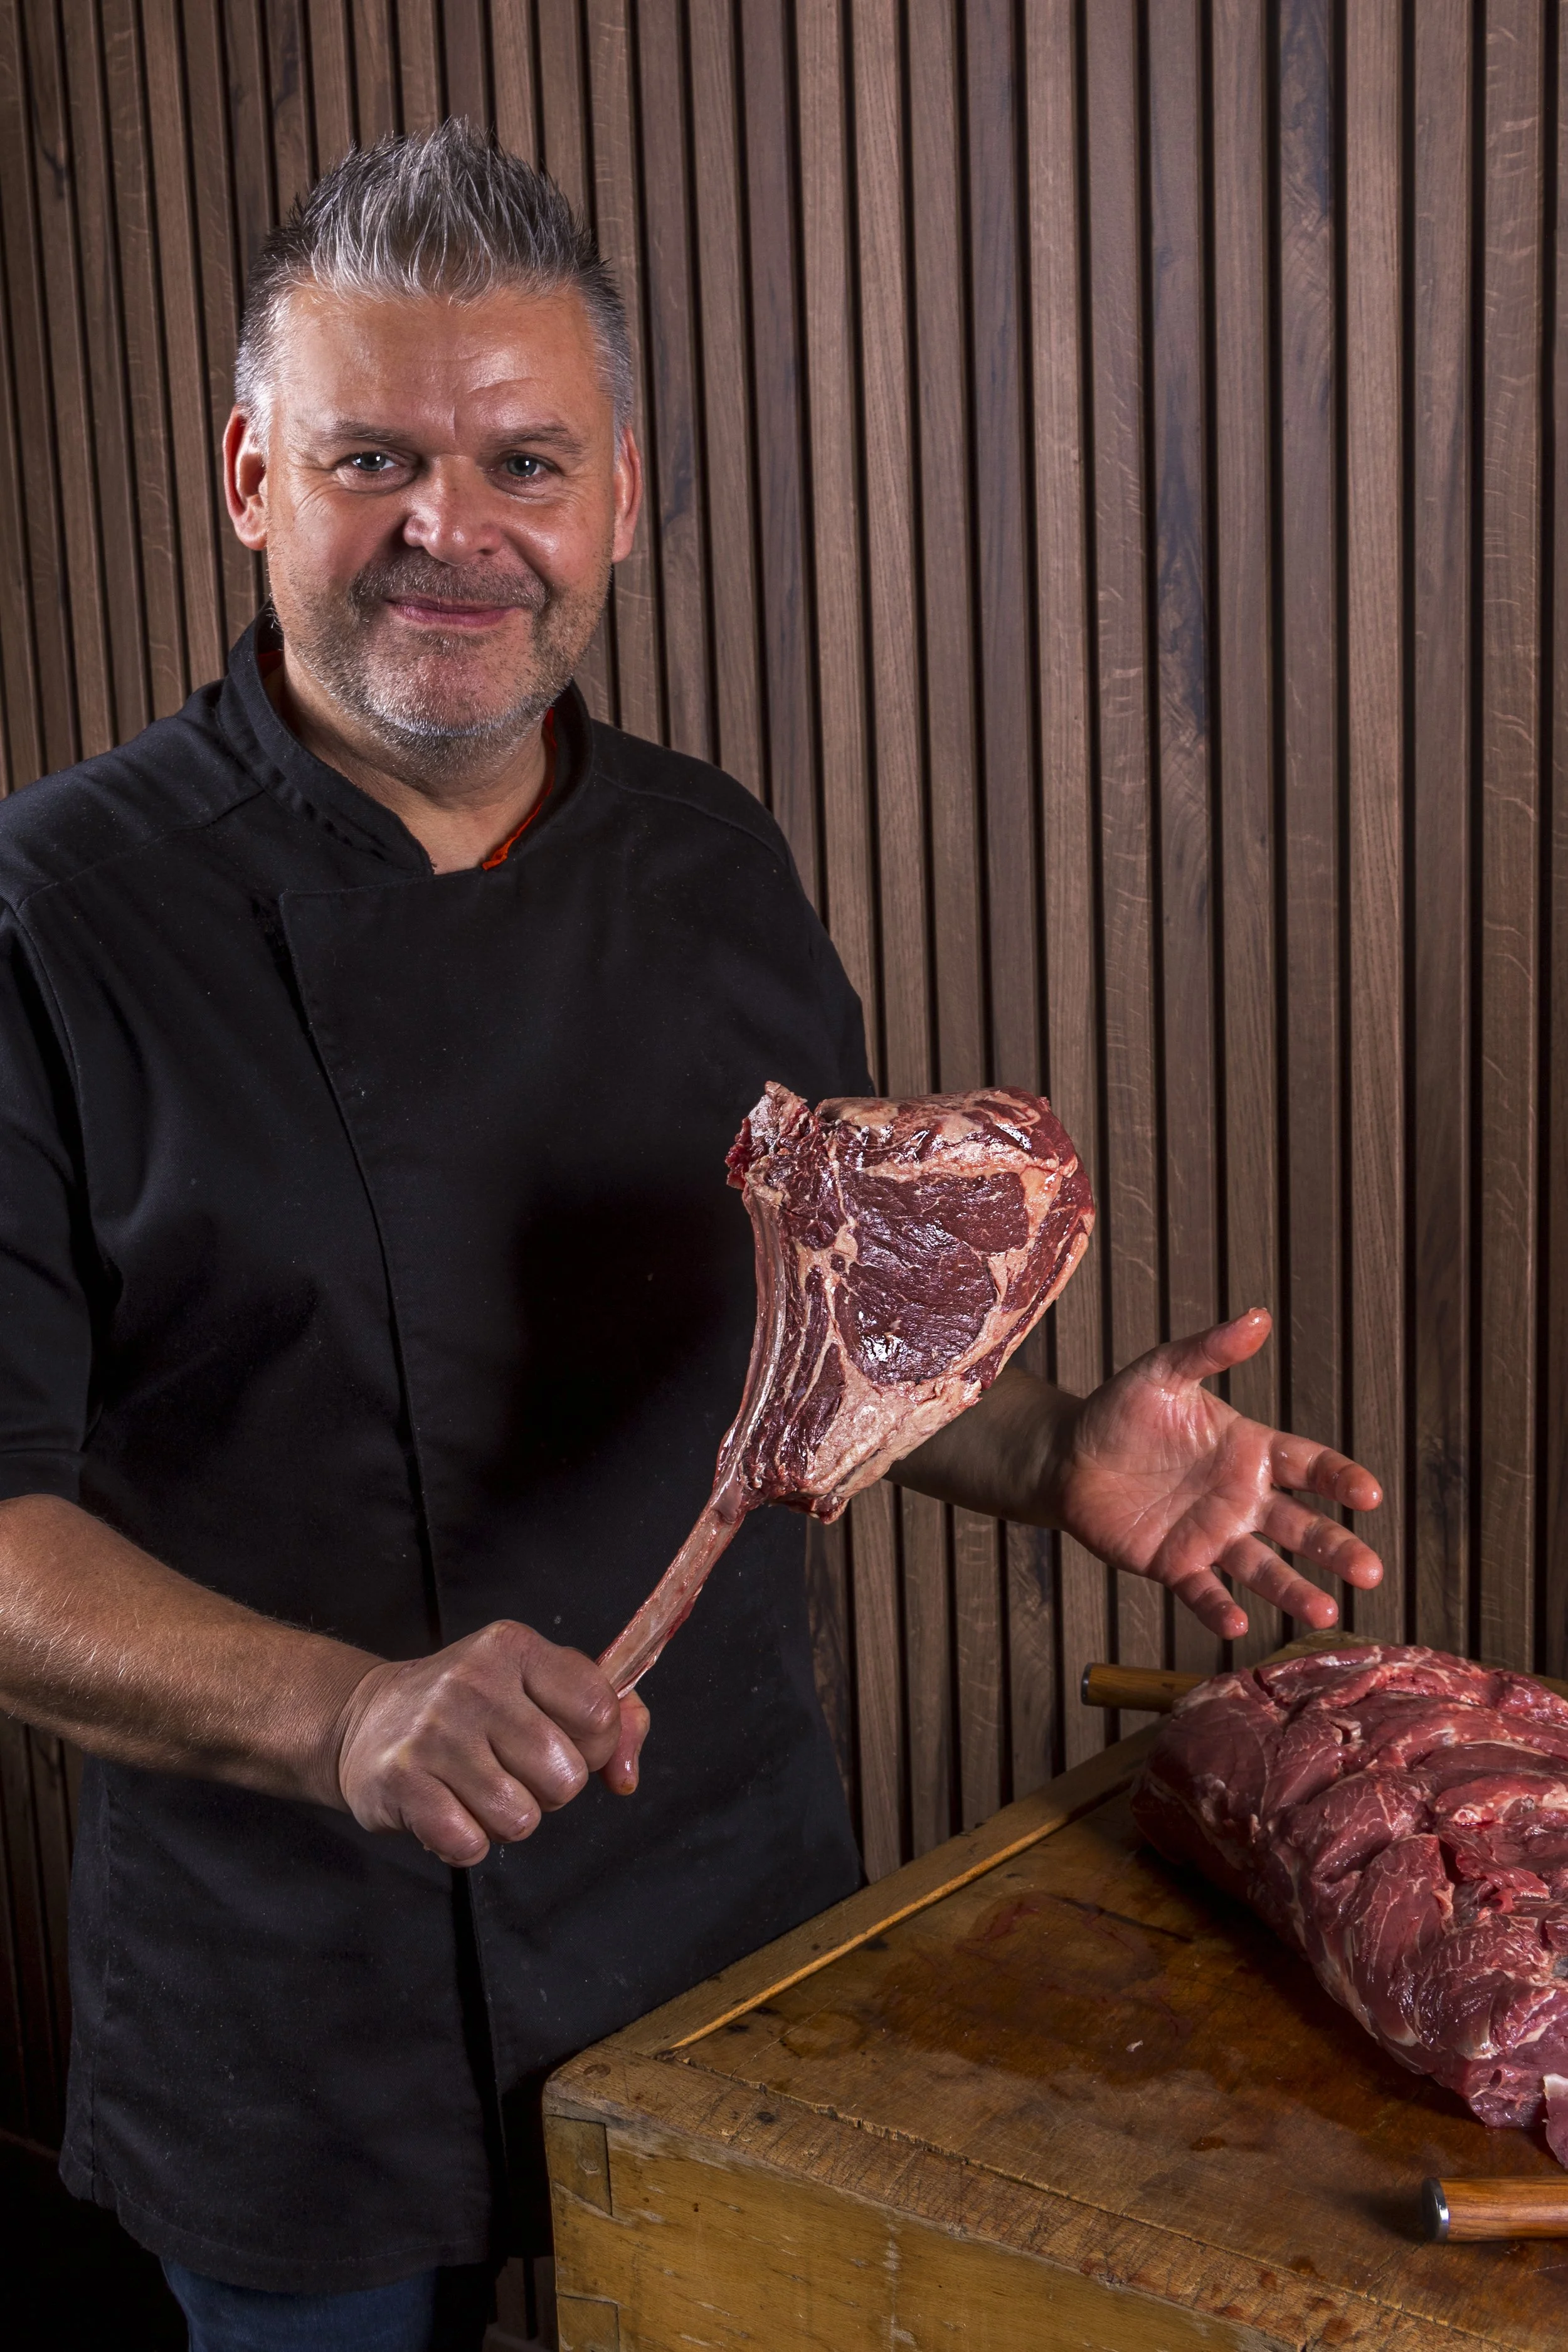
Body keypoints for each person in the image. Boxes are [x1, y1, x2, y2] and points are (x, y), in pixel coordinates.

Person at [0, 123, 1382, 2351]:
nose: (452, 529)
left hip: (727, 1923)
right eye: (374, 457)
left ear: (619, 502)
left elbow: (795, 1345)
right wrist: (346, 1713)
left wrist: (1039, 1450)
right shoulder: (50, 915)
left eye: (522, 462)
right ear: (252, 475)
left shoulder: (714, 866)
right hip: (300, 2021)